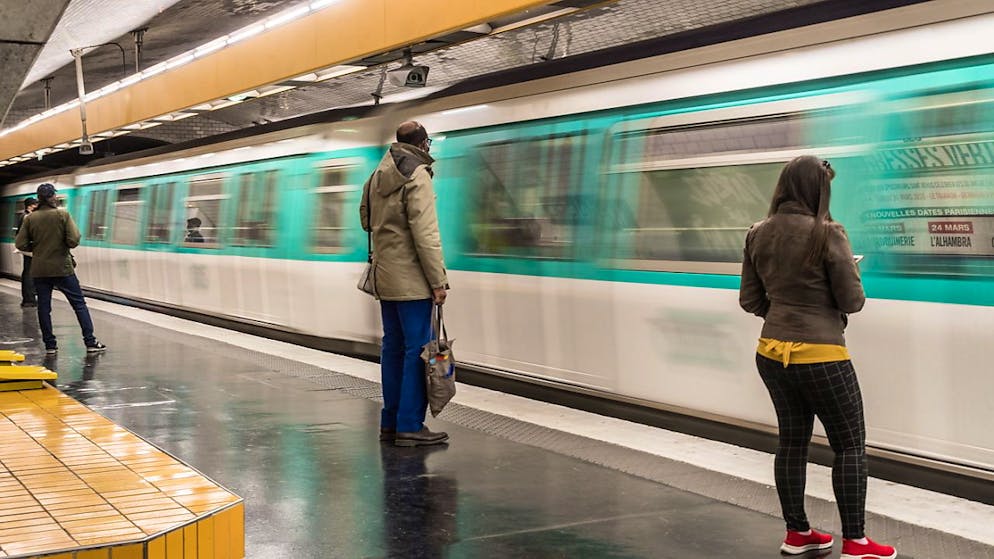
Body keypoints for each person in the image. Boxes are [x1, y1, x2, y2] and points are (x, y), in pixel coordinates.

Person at [739, 156, 895, 559]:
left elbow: (750, 300)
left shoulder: (757, 233)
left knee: (792, 443)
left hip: (771, 353)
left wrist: (784, 311)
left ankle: (798, 533)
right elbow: (852, 301)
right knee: (849, 446)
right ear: (818, 190)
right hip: (822, 354)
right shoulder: (828, 233)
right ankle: (857, 542)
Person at [360, 121, 449, 447]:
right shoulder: (418, 175)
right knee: (418, 351)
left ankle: (390, 421)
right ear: (424, 144)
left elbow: (365, 219)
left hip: (386, 278)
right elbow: (425, 234)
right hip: (412, 280)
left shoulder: (378, 174)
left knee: (393, 348)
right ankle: (410, 424)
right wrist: (438, 281)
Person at [14, 183, 107, 355]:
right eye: (54, 196)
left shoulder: (31, 218)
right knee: (79, 304)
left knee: (44, 307)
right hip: (62, 268)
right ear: (51, 197)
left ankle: (50, 346)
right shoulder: (62, 214)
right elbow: (73, 240)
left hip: (40, 269)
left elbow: (20, 244)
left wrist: (38, 247)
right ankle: (90, 341)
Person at [15, 197, 39, 307]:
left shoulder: (23, 216)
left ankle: (29, 298)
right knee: (29, 273)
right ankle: (29, 299)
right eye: (35, 204)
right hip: (29, 249)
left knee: (29, 272)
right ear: (30, 206)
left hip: (26, 248)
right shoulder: (26, 216)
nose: (37, 206)